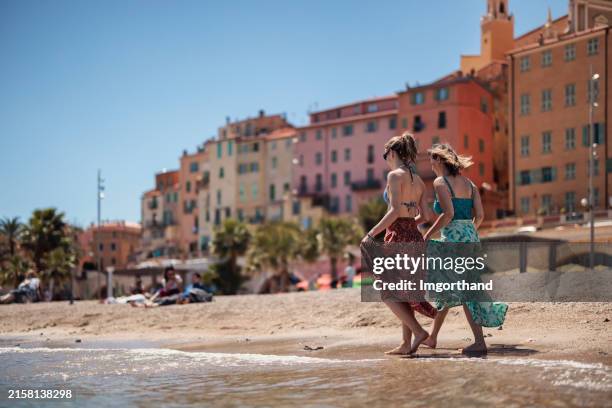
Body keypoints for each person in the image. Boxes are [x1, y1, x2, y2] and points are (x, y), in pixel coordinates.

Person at [423, 143, 507, 355]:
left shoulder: (440, 182)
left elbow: (447, 214)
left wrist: (427, 234)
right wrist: (468, 230)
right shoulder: (471, 184)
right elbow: (479, 216)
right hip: (470, 238)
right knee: (448, 288)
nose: (430, 163)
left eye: (432, 158)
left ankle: (479, 342)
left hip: (453, 240)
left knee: (462, 290)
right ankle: (433, 337)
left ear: (441, 160)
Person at [361, 132, 436, 355]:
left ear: (392, 153)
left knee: (386, 290)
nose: (386, 159)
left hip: (398, 236)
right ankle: (406, 344)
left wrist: (371, 233)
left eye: (385, 155)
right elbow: (427, 215)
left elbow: (394, 210)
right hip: (414, 235)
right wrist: (409, 222)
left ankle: (419, 332)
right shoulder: (419, 181)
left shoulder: (395, 176)